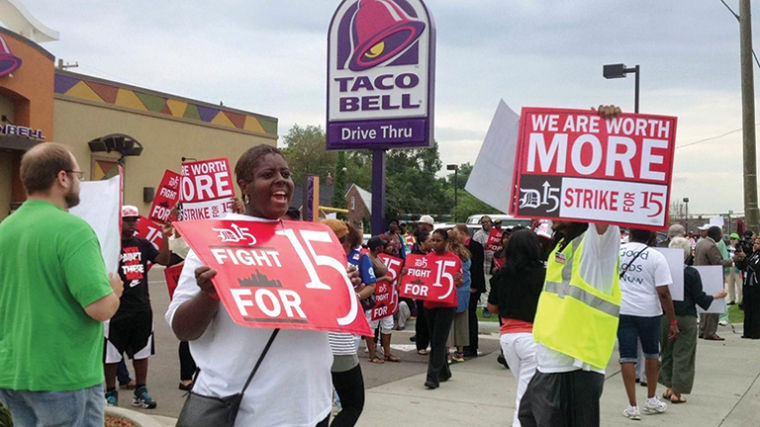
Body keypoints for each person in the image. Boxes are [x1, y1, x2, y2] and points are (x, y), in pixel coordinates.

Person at [167, 145, 334, 426]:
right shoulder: (215, 239)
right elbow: (183, 329)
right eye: (268, 174)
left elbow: (328, 312)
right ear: (244, 185)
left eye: (286, 173)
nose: (281, 180)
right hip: (246, 412)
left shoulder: (312, 242)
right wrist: (209, 295)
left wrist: (344, 289)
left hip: (311, 407)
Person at [0, 142, 122, 426]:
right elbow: (100, 309)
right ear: (62, 177)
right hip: (65, 375)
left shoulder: (5, 230)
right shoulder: (73, 230)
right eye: (78, 174)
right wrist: (115, 293)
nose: (79, 181)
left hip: (12, 372)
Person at [518, 221, 621, 426]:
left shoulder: (597, 246)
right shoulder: (564, 245)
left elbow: (604, 213)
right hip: (551, 358)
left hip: (574, 363)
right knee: (527, 417)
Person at [104, 205, 171, 408]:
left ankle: (141, 390)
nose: (133, 223)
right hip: (116, 309)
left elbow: (164, 260)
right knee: (112, 353)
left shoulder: (143, 244)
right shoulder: (110, 246)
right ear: (119, 222)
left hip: (141, 308)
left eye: (135, 219)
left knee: (142, 352)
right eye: (128, 219)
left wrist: (165, 236)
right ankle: (109, 392)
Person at [617, 229, 679, 420]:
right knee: (652, 355)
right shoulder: (656, 257)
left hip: (624, 309)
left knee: (627, 357)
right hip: (649, 312)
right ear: (652, 237)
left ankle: (632, 405)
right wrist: (673, 320)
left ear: (630, 235)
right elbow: (663, 292)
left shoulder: (618, 252)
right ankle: (651, 399)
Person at [487, 229, 545, 427]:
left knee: (526, 388)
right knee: (527, 393)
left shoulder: (501, 274)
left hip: (508, 339)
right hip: (533, 339)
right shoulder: (543, 275)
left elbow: (492, 307)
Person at [659, 237, 727, 403]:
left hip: (666, 316)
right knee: (684, 354)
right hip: (687, 316)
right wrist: (717, 296)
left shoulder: (662, 271)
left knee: (667, 352)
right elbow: (700, 299)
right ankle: (677, 392)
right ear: (687, 253)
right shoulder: (691, 273)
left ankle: (668, 387)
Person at [322, 219, 370, 427]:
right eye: (344, 241)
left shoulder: (300, 265)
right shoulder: (345, 267)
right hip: (339, 344)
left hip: (309, 344)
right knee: (353, 404)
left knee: (319, 404)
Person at [421, 229, 463, 389]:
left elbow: (459, 282)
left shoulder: (454, 259)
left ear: (446, 242)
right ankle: (444, 371)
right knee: (435, 339)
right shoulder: (426, 259)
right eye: (432, 240)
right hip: (430, 304)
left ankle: (432, 377)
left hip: (447, 305)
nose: (434, 243)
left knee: (438, 341)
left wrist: (458, 280)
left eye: (438, 240)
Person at [695, 226, 740, 341]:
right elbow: (718, 262)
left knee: (704, 305)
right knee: (713, 307)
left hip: (702, 277)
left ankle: (702, 330)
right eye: (720, 234)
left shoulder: (700, 243)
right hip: (712, 278)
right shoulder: (711, 246)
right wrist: (733, 260)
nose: (721, 236)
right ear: (715, 235)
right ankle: (710, 332)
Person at [365, 236, 401, 363]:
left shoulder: (378, 257)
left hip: (383, 296)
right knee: (372, 324)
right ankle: (372, 355)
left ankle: (387, 353)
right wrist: (385, 278)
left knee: (388, 323)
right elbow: (367, 280)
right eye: (382, 245)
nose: (384, 247)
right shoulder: (367, 259)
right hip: (373, 296)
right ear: (377, 247)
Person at [456, 223, 485, 357]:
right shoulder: (460, 248)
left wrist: (475, 286)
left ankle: (471, 346)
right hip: (463, 286)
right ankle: (464, 344)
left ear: (462, 233)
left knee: (470, 316)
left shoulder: (475, 246)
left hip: (472, 286)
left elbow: (477, 268)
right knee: (464, 316)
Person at [446, 228, 471, 363]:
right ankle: (460, 352)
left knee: (448, 323)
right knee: (462, 323)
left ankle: (447, 353)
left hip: (450, 293)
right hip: (464, 292)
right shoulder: (465, 253)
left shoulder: (447, 255)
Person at [412, 229, 432, 355]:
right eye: (430, 241)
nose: (432, 243)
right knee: (422, 318)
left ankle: (431, 342)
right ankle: (421, 344)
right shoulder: (415, 256)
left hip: (432, 291)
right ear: (421, 243)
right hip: (421, 291)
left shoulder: (433, 254)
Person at [736, 233, 760, 339]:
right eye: (755, 243)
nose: (755, 245)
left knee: (756, 309)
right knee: (748, 308)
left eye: (758, 243)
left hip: (756, 286)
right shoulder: (752, 254)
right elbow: (744, 266)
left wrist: (745, 258)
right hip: (747, 284)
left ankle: (756, 332)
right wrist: (739, 259)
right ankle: (748, 332)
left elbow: (754, 266)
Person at [726, 233, 743, 306]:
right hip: (729, 268)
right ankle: (732, 299)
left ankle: (740, 300)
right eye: (731, 239)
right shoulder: (727, 248)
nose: (732, 240)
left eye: (734, 239)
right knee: (730, 285)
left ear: (737, 240)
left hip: (738, 269)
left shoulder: (740, 248)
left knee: (740, 285)